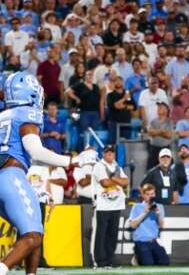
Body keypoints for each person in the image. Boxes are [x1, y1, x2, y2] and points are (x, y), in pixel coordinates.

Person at [0, 71, 83, 275]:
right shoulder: (26, 114)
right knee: (33, 236)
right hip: (10, 175)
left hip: (6, 175)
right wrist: (71, 161)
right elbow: (35, 151)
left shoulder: (3, 116)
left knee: (35, 230)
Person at [92, 145, 129, 269]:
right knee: (101, 234)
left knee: (112, 235)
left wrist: (112, 178)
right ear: (103, 154)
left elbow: (126, 182)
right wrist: (117, 179)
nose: (110, 154)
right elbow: (104, 182)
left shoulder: (117, 166)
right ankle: (100, 261)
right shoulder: (99, 166)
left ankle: (109, 260)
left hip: (116, 205)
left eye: (112, 152)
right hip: (103, 205)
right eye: (107, 152)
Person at [128, 183, 170, 266]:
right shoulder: (137, 206)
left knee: (164, 262)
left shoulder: (159, 206)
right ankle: (137, 257)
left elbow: (161, 226)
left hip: (154, 241)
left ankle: (149, 255)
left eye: (152, 194)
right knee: (148, 263)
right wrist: (145, 212)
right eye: (147, 194)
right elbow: (132, 225)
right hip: (141, 241)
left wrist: (159, 215)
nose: (150, 196)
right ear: (143, 195)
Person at [147, 102, 174, 170]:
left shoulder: (169, 122)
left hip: (165, 148)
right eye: (158, 107)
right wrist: (162, 131)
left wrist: (156, 132)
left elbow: (169, 135)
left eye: (161, 107)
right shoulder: (153, 121)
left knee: (167, 169)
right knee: (151, 170)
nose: (159, 108)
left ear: (166, 110)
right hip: (154, 149)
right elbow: (150, 132)